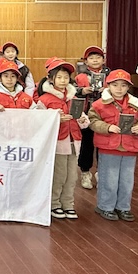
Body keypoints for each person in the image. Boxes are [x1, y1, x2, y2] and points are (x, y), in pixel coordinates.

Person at [88, 70, 138, 222]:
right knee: (108, 179)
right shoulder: (99, 104)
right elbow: (93, 121)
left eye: (123, 85)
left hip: (130, 148)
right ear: (108, 85)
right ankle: (105, 206)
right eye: (115, 85)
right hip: (109, 148)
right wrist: (107, 127)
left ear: (128, 87)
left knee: (126, 181)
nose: (119, 88)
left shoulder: (136, 104)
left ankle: (123, 207)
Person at [38, 60, 90, 220]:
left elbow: (83, 118)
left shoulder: (74, 97)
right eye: (59, 77)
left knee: (72, 176)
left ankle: (68, 204)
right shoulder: (45, 99)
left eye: (66, 77)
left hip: (74, 141)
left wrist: (83, 120)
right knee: (59, 175)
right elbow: (38, 121)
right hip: (58, 142)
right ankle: (54, 204)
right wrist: (55, 119)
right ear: (51, 79)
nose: (63, 80)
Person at [75, 46, 110, 189]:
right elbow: (72, 91)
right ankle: (85, 172)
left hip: (105, 115)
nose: (95, 60)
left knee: (103, 144)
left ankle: (101, 173)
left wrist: (107, 91)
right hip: (87, 114)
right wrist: (82, 91)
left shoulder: (109, 75)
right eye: (91, 58)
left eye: (98, 57)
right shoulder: (80, 76)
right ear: (86, 61)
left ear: (103, 60)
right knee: (87, 144)